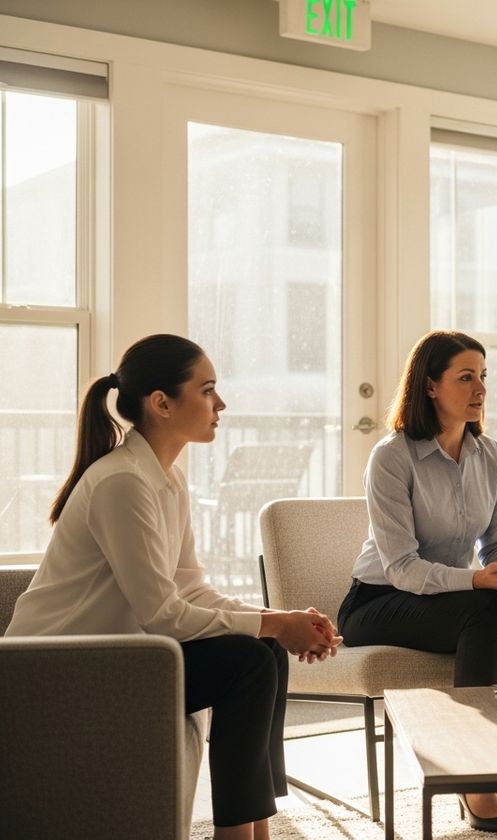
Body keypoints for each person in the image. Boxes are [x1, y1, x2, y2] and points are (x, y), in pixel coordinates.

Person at [5, 334, 342, 840]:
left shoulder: (166, 478)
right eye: (207, 390)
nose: (220, 403)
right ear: (161, 403)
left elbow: (192, 589)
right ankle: (234, 836)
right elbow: (163, 614)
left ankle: (256, 829)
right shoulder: (123, 482)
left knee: (264, 650)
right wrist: (274, 622)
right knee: (247, 661)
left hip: (120, 658)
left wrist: (282, 620)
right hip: (56, 671)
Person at [337, 329, 497, 834]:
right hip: (378, 602)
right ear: (430, 386)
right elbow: (401, 568)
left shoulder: (490, 455)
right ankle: (473, 777)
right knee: (487, 608)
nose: (479, 388)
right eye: (465, 377)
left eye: (483, 377)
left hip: (454, 596)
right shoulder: (393, 457)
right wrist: (478, 581)